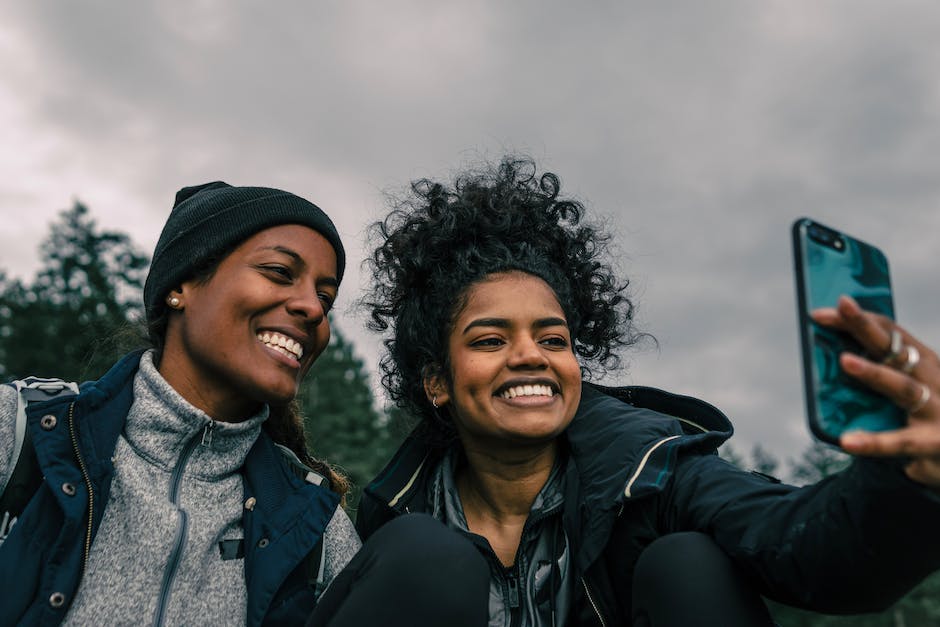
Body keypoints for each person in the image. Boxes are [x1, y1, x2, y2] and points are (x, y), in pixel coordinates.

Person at [357, 157, 940, 626]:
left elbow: (810, 550)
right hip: (413, 550)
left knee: (687, 563)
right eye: (489, 340)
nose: (531, 355)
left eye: (553, 338)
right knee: (419, 554)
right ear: (437, 382)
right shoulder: (395, 517)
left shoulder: (653, 472)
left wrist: (910, 481)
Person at [0, 182, 364, 626]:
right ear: (182, 286)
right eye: (278, 271)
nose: (313, 308)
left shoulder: (318, 532)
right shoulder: (20, 434)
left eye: (326, 297)